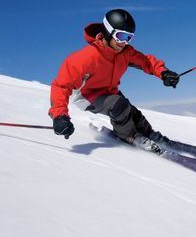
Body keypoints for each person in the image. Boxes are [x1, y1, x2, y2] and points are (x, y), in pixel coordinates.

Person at [49, 9, 180, 154]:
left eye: (129, 38)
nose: (124, 42)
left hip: (110, 92)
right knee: (119, 105)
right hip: (87, 96)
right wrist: (60, 116)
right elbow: (61, 86)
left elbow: (146, 62)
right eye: (121, 36)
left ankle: (151, 135)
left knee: (132, 112)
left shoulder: (124, 53)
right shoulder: (85, 58)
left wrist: (164, 73)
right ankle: (130, 137)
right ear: (107, 31)